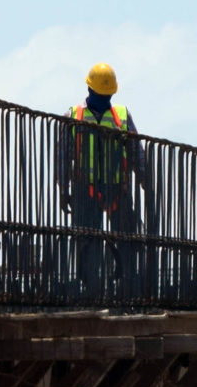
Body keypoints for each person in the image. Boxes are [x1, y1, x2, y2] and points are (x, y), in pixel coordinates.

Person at [57, 63, 145, 292]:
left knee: (126, 239)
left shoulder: (122, 116)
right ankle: (92, 288)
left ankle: (127, 288)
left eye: (108, 96)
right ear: (89, 90)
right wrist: (63, 188)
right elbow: (63, 154)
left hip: (117, 188)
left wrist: (146, 177)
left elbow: (136, 149)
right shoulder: (73, 115)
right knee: (87, 240)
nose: (104, 99)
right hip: (85, 187)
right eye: (100, 95)